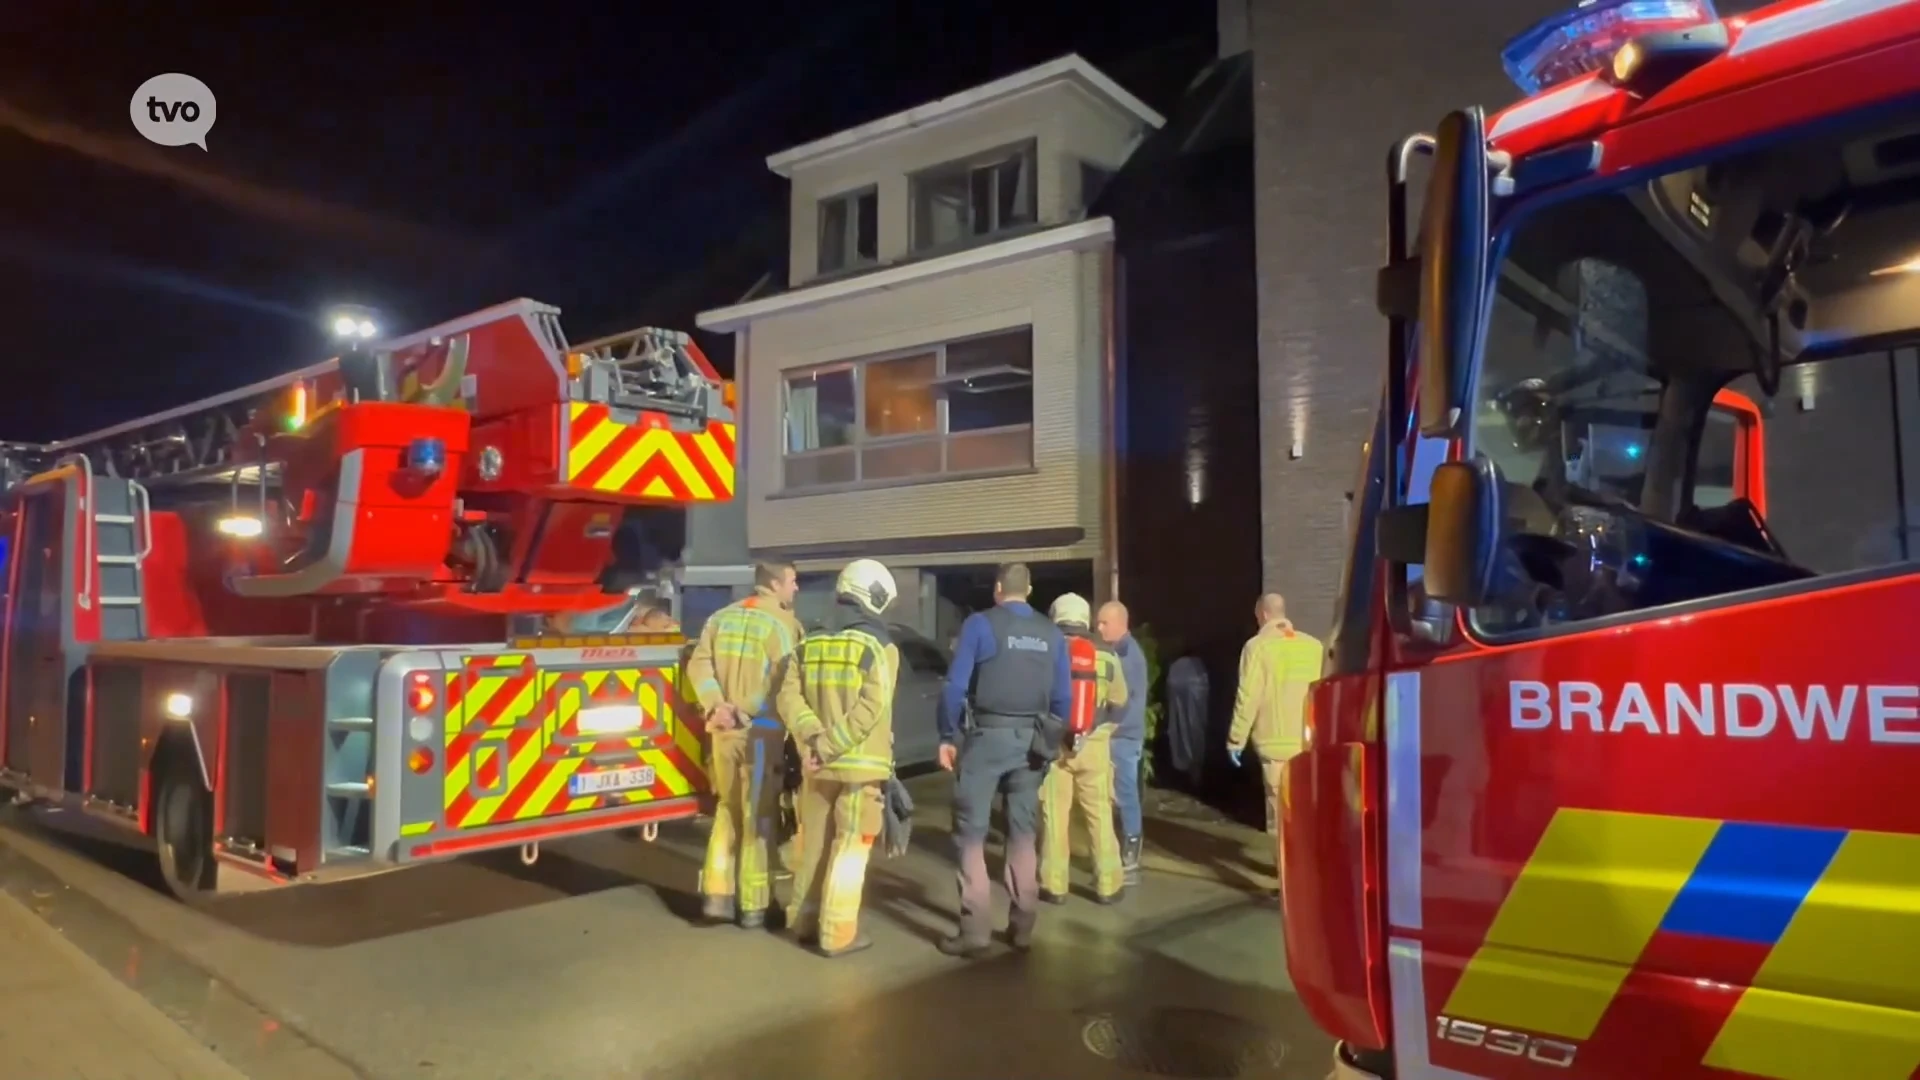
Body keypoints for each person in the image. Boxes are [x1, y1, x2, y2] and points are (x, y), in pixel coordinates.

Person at [936, 563, 1072, 957]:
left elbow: (955, 687)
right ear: (1028, 590)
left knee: (971, 833)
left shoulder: (981, 625)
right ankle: (1023, 928)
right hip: (1033, 741)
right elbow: (1063, 698)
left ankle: (975, 932)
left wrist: (947, 735)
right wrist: (1053, 736)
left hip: (985, 740)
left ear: (998, 589)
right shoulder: (1052, 634)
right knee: (1023, 833)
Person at [777, 559, 900, 958]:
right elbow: (872, 710)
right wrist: (830, 743)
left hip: (815, 764)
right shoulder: (879, 647)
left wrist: (813, 738)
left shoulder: (808, 642)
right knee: (850, 848)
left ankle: (803, 920)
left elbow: (787, 698)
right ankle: (837, 934)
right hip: (859, 767)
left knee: (814, 843)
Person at [683, 560, 802, 928]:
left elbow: (698, 665)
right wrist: (742, 710)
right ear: (775, 583)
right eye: (793, 581)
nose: (796, 589)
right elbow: (782, 680)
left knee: (726, 809)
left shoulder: (721, 618)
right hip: (759, 736)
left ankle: (717, 898)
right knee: (758, 818)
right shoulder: (785, 626)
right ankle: (755, 906)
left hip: (721, 733)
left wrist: (716, 706)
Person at [1225, 592, 1324, 898]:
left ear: (1263, 616)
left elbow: (1248, 697)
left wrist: (1235, 739)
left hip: (1276, 747)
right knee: (1308, 810)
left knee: (1280, 815)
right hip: (1310, 744)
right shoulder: (1314, 646)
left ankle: (1290, 881)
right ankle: (1312, 870)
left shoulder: (1257, 647)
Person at [1038, 593, 1129, 905]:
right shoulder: (1106, 656)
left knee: (1054, 815)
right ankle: (1108, 885)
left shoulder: (1045, 651)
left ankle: (1054, 885)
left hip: (1053, 747)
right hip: (1094, 746)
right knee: (1099, 814)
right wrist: (1101, 731)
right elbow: (1120, 702)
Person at [1096, 600, 1150, 886]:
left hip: (1123, 737)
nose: (1099, 627)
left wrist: (1109, 727)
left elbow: (1125, 701)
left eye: (1105, 622)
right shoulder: (1116, 652)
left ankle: (1131, 843)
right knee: (1114, 793)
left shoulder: (1127, 655)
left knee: (1125, 792)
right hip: (1117, 734)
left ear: (1120, 623)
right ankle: (1120, 845)